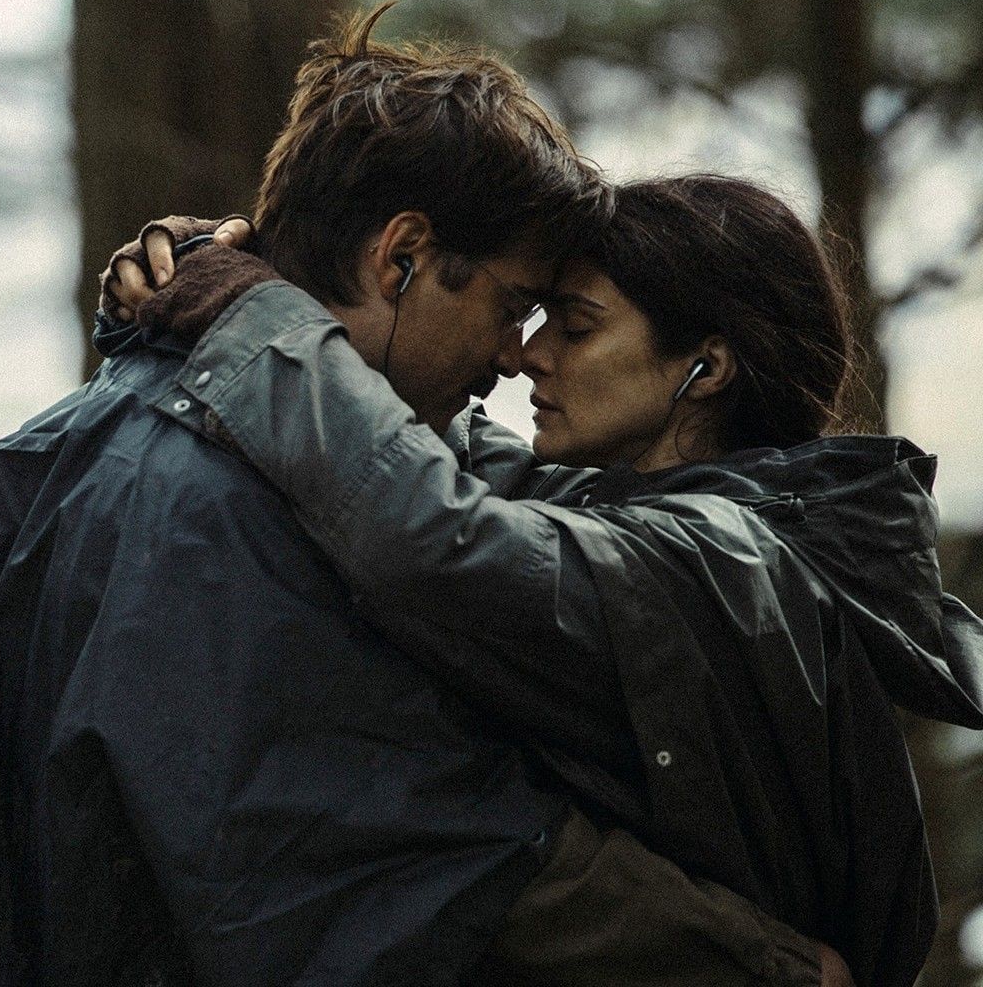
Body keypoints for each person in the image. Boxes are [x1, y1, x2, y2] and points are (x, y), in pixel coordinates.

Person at [0, 9, 842, 987]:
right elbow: (436, 860)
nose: (515, 357)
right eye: (516, 306)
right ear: (403, 257)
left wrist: (231, 303)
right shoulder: (235, 507)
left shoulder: (91, 435)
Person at [101, 174, 983, 986]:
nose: (526, 356)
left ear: (705, 370)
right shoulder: (648, 515)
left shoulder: (725, 560)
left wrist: (252, 318)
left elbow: (429, 532)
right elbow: (430, 452)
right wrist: (228, 284)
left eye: (577, 324)